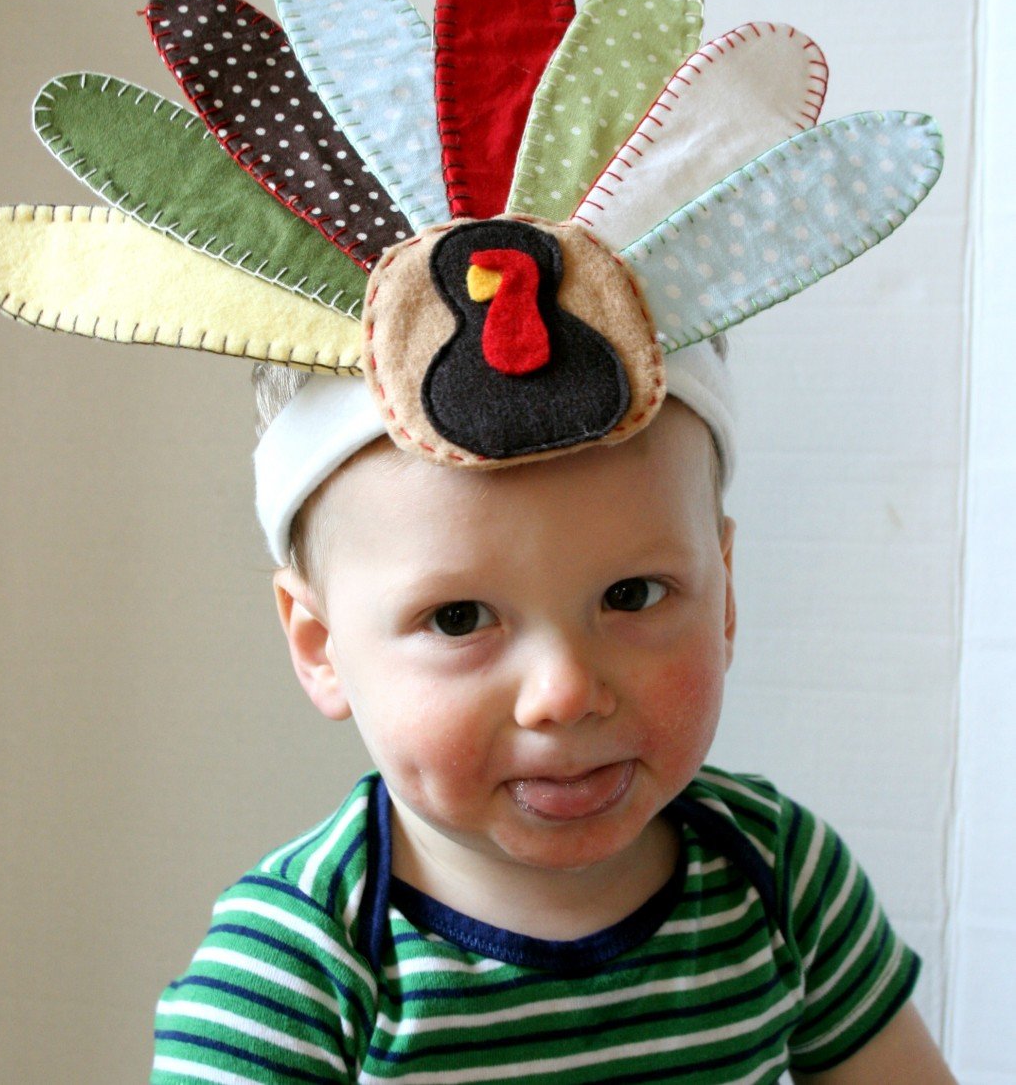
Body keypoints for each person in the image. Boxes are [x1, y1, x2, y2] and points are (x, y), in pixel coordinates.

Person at [149, 345, 956, 1083]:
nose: (566, 691)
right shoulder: (293, 973)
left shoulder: (780, 879)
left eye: (631, 595)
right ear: (323, 646)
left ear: (726, 594)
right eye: (460, 617)